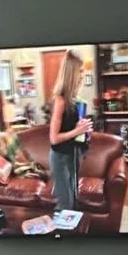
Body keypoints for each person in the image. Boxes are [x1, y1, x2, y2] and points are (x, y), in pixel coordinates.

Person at [49, 49, 92, 212]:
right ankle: (59, 234)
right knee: (65, 205)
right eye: (80, 71)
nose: (82, 75)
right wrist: (76, 130)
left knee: (73, 202)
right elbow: (54, 139)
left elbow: (73, 131)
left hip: (72, 156)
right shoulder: (60, 100)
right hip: (60, 159)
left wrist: (85, 131)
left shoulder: (74, 100)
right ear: (72, 73)